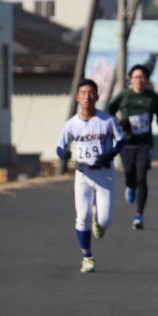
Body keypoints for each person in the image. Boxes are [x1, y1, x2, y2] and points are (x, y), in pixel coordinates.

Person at [57, 79, 125, 273]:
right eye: (83, 93)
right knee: (82, 216)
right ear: (78, 97)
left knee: (105, 221)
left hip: (105, 174)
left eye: (91, 93)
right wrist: (63, 154)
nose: (87, 97)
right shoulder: (72, 124)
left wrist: (110, 154)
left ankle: (99, 220)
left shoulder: (107, 120)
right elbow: (60, 146)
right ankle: (87, 257)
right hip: (83, 174)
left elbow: (121, 141)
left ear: (96, 96)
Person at [108, 64, 158, 230]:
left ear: (146, 80)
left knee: (142, 176)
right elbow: (110, 110)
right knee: (130, 174)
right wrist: (117, 122)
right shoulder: (124, 96)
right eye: (136, 77)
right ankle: (129, 186)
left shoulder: (152, 96)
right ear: (130, 79)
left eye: (142, 77)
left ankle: (138, 215)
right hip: (126, 142)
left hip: (144, 143)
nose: (139, 80)